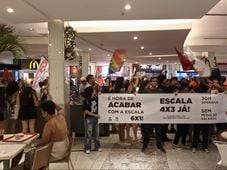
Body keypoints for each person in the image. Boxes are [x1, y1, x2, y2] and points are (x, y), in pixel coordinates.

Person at [141, 77, 166, 153]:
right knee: (147, 131)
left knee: (158, 131)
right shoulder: (145, 91)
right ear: (150, 82)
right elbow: (140, 99)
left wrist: (176, 94)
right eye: (154, 81)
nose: (155, 82)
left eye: (156, 81)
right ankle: (145, 145)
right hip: (148, 114)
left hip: (157, 114)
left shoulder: (160, 91)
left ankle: (159, 145)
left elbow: (167, 98)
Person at [83, 86, 102, 153]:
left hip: (96, 118)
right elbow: (85, 111)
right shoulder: (86, 100)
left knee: (97, 133)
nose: (95, 91)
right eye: (93, 90)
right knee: (88, 133)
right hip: (89, 119)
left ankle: (98, 146)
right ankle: (87, 147)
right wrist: (95, 115)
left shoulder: (95, 98)